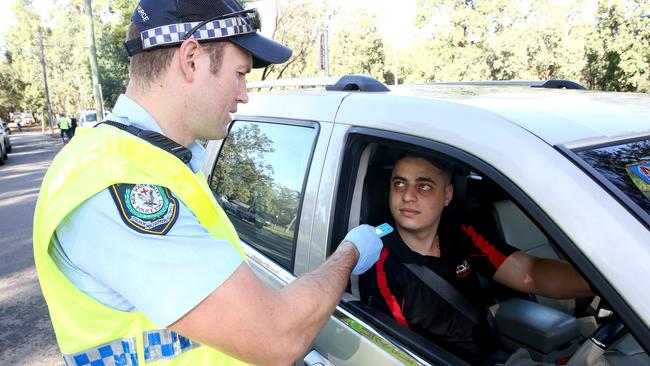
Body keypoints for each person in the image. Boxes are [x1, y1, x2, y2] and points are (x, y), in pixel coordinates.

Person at [33, 1, 383, 365]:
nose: (244, 94)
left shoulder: (154, 160)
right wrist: (349, 254)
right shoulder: (115, 184)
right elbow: (277, 335)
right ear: (192, 59)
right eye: (241, 73)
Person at [358, 154, 593, 365]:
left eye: (424, 186)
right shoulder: (380, 259)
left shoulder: (462, 235)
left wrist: (606, 283)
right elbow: (399, 351)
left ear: (447, 195)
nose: (408, 196)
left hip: (497, 356)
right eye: (399, 183)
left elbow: (529, 273)